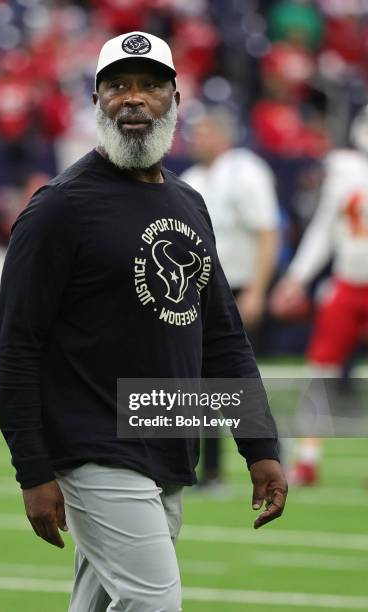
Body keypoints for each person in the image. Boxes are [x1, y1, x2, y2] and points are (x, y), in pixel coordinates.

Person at [0, 31, 288, 612]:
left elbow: (222, 338)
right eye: (118, 86)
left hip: (168, 443)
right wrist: (32, 469)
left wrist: (260, 446)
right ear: (96, 101)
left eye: (150, 86)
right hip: (94, 448)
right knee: (155, 604)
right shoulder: (58, 208)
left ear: (175, 99)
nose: (134, 99)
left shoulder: (189, 202)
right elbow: (16, 348)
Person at [181, 109, 280, 490]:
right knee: (201, 384)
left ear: (224, 135)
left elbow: (268, 233)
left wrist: (257, 289)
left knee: (237, 382)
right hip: (196, 291)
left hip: (237, 286)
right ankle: (211, 472)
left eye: (205, 131)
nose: (197, 139)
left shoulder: (247, 171)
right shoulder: (190, 179)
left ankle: (271, 457)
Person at [270, 105, 368, 486]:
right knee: (320, 371)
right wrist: (296, 278)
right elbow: (324, 229)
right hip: (346, 283)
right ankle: (307, 459)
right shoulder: (345, 169)